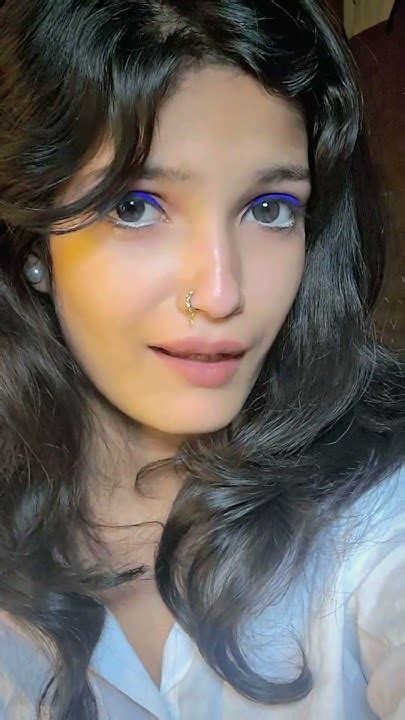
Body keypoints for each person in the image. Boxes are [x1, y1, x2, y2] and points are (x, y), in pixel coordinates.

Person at [0, 0, 404, 718]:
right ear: (35, 242)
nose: (221, 294)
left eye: (269, 208)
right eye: (134, 206)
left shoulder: (379, 516)